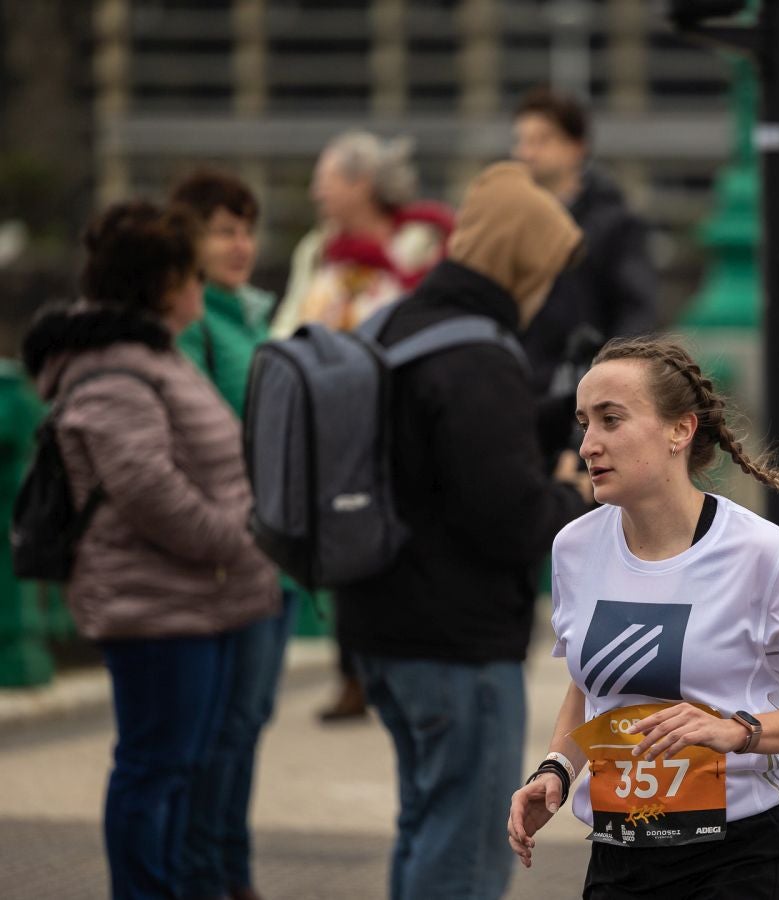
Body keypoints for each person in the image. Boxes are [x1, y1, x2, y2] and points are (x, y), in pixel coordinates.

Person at [507, 336, 779, 899]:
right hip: (620, 853)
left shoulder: (762, 554)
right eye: (584, 423)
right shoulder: (574, 547)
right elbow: (593, 686)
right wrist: (556, 768)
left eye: (612, 420)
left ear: (681, 430)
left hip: (742, 857)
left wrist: (739, 730)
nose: (588, 445)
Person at [335, 161, 592, 900]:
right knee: (470, 855)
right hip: (455, 639)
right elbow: (508, 519)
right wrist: (572, 501)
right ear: (520, 262)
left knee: (426, 826)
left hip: (381, 625)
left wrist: (553, 415)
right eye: (543, 271)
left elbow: (438, 458)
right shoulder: (478, 356)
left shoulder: (404, 322)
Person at [21, 200, 278, 898]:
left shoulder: (150, 355)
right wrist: (239, 537)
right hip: (158, 605)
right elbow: (148, 489)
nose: (203, 286)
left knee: (179, 765)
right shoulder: (112, 370)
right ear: (164, 284)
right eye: (191, 273)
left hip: (198, 597)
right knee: (154, 768)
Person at [272, 130, 457, 722]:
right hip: (342, 417)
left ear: (360, 183)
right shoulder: (318, 251)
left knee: (415, 540)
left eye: (325, 179)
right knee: (347, 536)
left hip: (409, 414)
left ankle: (418, 663)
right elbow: (289, 327)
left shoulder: (424, 242)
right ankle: (356, 672)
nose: (315, 192)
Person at [169, 167, 296, 900]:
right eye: (223, 229)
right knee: (218, 734)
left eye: (246, 228)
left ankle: (230, 875)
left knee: (245, 727)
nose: (241, 243)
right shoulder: (191, 323)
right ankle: (207, 879)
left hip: (272, 558)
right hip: (229, 559)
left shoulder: (251, 318)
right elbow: (193, 435)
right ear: (188, 238)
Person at [511, 86, 661, 397]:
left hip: (583, 396)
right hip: (520, 392)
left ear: (576, 147)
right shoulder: (511, 221)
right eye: (522, 141)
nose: (526, 153)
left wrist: (604, 387)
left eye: (542, 140)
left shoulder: (616, 224)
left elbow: (637, 315)